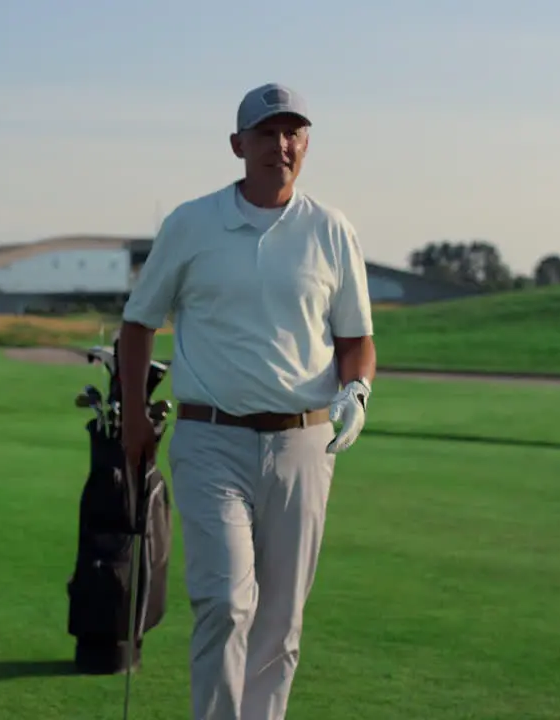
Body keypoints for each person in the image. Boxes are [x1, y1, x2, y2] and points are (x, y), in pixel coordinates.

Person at [117, 83, 377, 719]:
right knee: (226, 602)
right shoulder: (191, 224)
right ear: (238, 145)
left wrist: (358, 391)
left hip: (305, 442)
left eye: (292, 133)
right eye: (266, 134)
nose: (281, 145)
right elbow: (137, 323)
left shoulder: (331, 230)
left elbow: (357, 341)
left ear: (305, 144)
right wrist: (131, 415)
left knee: (281, 622)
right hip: (212, 438)